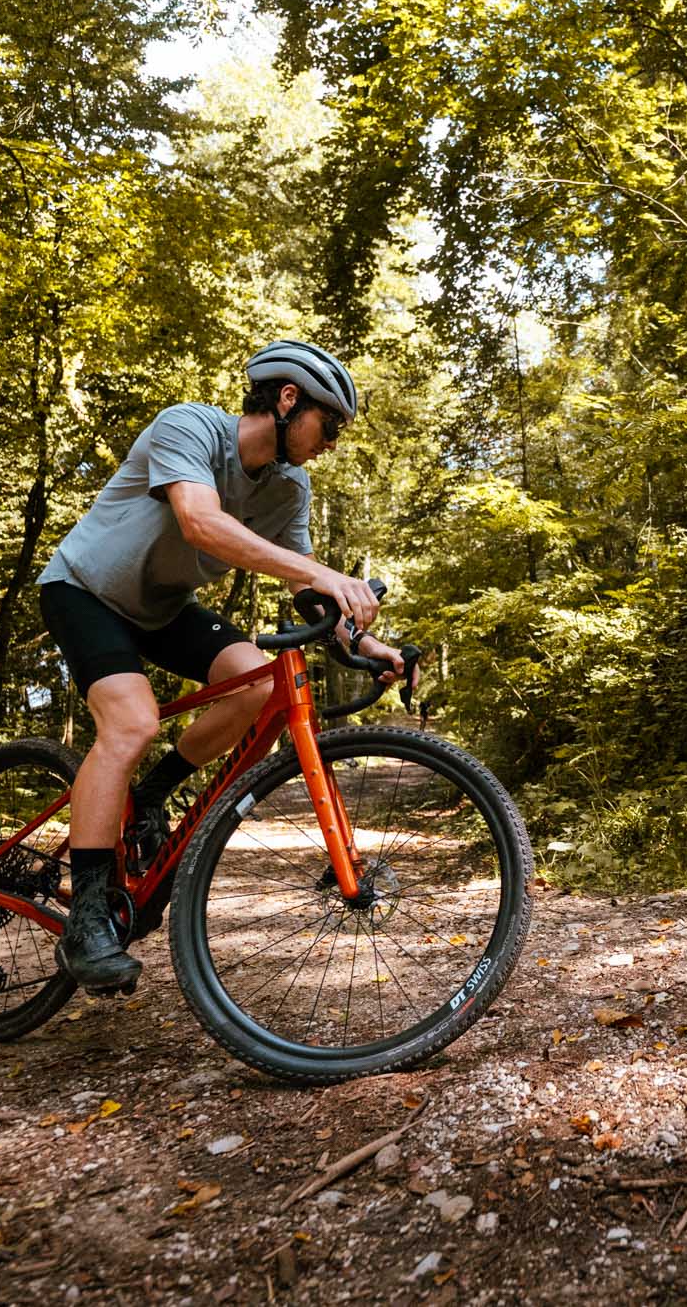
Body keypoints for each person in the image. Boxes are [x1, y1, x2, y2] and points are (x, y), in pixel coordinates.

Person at [35, 340, 414, 994]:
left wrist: (364, 641)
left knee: (259, 685)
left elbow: (304, 586)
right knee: (132, 722)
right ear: (288, 399)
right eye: (330, 425)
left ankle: (149, 795)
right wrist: (325, 573)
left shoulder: (290, 487)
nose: (332, 444)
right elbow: (201, 523)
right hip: (84, 589)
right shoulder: (189, 427)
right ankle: (87, 920)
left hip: (161, 607)